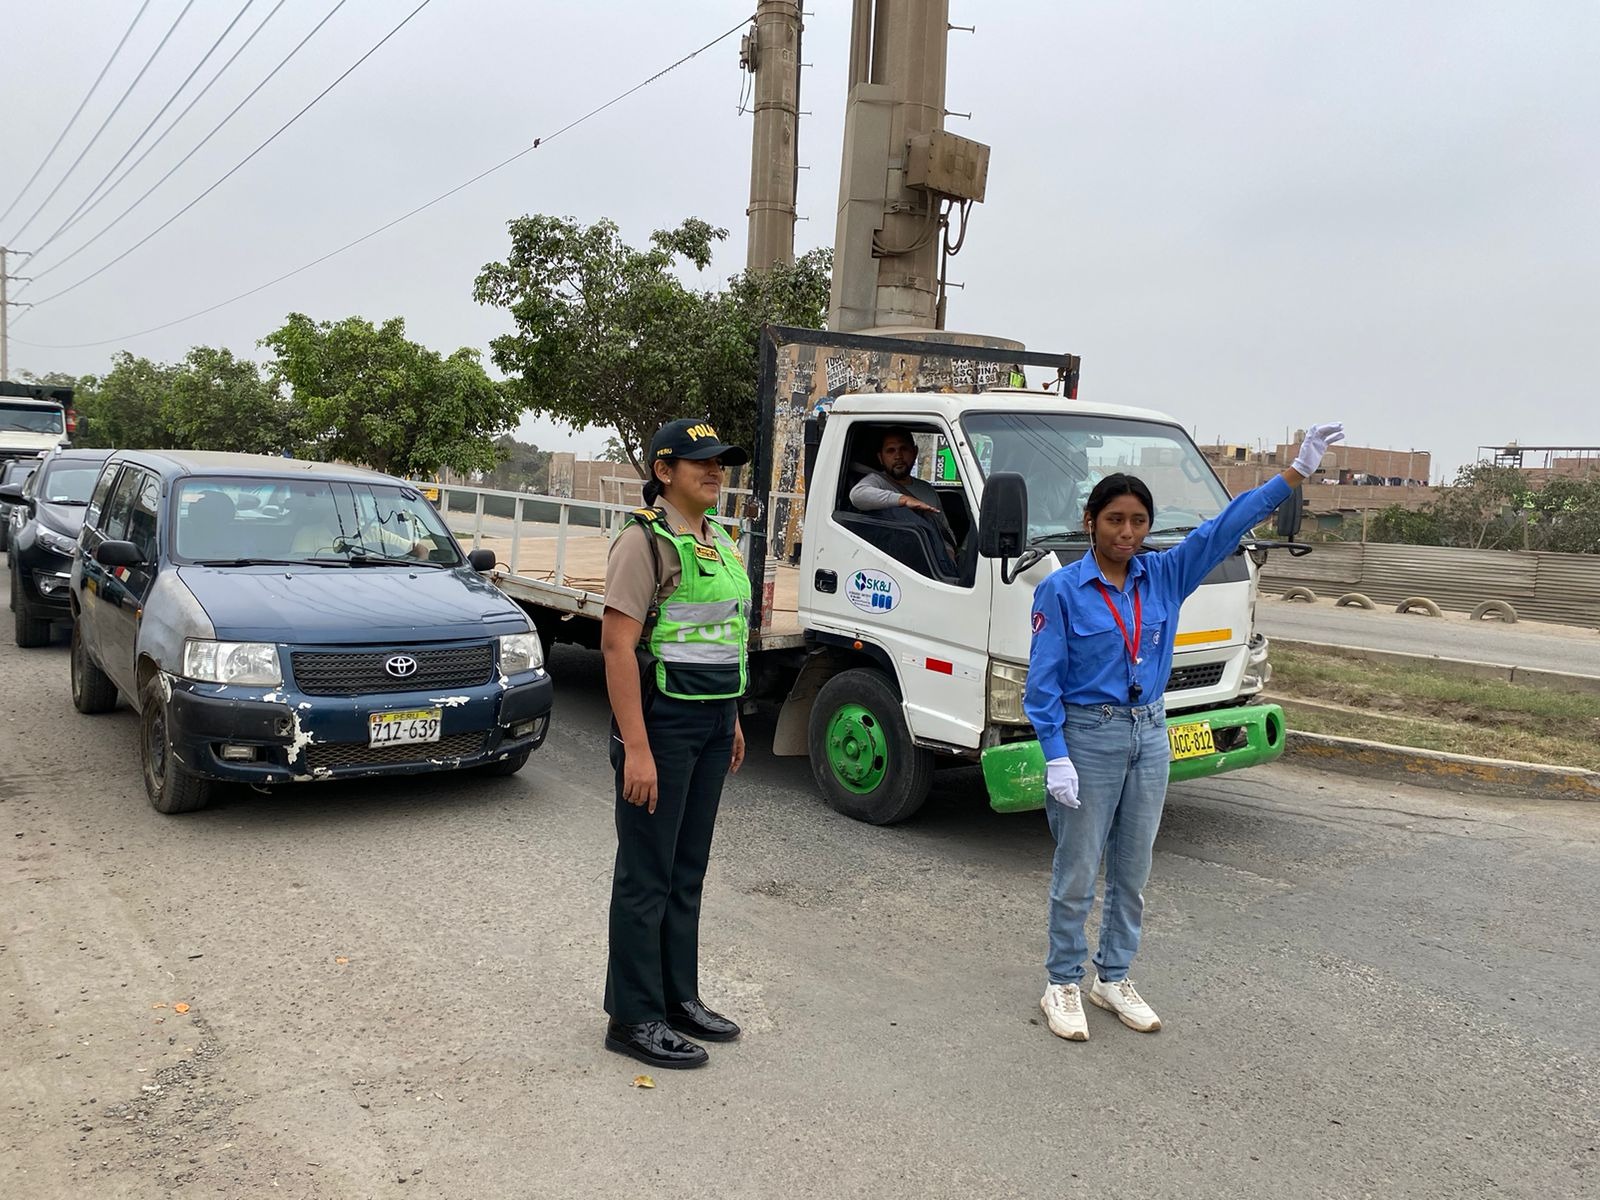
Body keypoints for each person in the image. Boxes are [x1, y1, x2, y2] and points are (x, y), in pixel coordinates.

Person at [1026, 422, 1345, 1042]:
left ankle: (1112, 976)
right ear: (1091, 521)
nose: (1127, 532)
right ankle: (1061, 980)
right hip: (1089, 736)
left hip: (1150, 734)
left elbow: (1224, 527)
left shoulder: (1165, 575)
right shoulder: (1063, 590)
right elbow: (1043, 685)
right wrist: (1055, 755)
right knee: (1077, 865)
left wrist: (1296, 474)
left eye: (1138, 521)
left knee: (1133, 867)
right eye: (1115, 519)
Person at [600, 417, 752, 1070]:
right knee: (647, 876)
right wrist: (636, 747)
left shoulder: (719, 540)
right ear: (666, 472)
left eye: (721, 463)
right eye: (702, 463)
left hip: (714, 722)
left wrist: (734, 718)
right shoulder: (644, 542)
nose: (716, 472)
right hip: (661, 726)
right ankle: (632, 1016)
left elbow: (721, 637)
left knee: (687, 872)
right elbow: (616, 645)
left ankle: (677, 996)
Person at [848, 426, 960, 573]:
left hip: (932, 569)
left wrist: (949, 558)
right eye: (890, 451)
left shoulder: (927, 489)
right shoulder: (877, 481)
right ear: (880, 458)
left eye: (903, 449)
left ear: (914, 452)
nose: (898, 456)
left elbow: (944, 531)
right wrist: (903, 500)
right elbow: (857, 496)